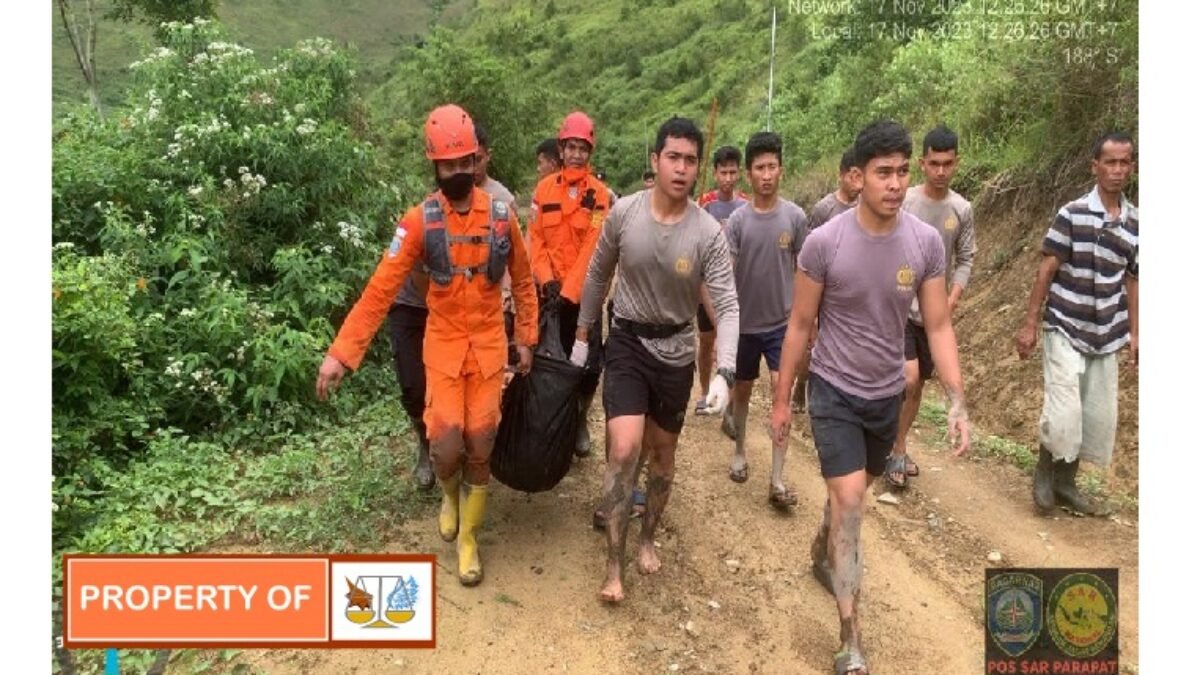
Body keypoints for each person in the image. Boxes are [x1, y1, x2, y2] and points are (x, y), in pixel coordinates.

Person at [769, 120, 970, 674]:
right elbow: (799, 325)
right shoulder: (824, 242)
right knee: (853, 502)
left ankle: (824, 538)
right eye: (884, 172)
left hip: (887, 395)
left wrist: (956, 398)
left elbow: (937, 326)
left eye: (902, 171)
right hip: (833, 389)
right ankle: (850, 637)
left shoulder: (925, 243)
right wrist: (784, 401)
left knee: (847, 501)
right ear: (857, 177)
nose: (895, 183)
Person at [316, 104, 538, 587]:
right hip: (441, 349)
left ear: (478, 160)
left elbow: (523, 281)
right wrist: (341, 354)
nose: (458, 173)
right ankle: (449, 494)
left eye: (466, 164)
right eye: (448, 165)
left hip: (486, 349)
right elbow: (380, 289)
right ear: (433, 164)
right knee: (444, 445)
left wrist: (527, 337)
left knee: (481, 441)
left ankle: (469, 539)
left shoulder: (501, 217)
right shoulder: (418, 221)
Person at [574, 116, 739, 603]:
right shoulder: (624, 214)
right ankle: (613, 564)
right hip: (626, 339)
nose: (681, 168)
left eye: (691, 160)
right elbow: (598, 273)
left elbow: (726, 306)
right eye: (673, 157)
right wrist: (584, 331)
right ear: (656, 160)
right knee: (624, 449)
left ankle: (647, 536)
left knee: (662, 457)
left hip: (676, 351)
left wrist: (725, 370)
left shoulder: (708, 233)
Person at [1015, 131, 1137, 517]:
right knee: (1064, 411)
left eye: (1124, 162)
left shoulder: (1136, 223)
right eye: (1110, 162)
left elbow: (1134, 280)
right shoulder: (1072, 213)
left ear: (1131, 166)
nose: (1117, 170)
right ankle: (1044, 473)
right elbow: (1046, 268)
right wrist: (1030, 324)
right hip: (1065, 325)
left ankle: (1066, 484)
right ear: (1095, 166)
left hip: (1107, 333)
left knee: (1094, 414)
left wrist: (1137, 332)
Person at [886, 125, 977, 489]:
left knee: (916, 384)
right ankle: (891, 446)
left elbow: (966, 257)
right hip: (898, 308)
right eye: (934, 163)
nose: (941, 171)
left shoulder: (961, 209)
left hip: (934, 312)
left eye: (948, 164)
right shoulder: (903, 200)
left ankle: (898, 443)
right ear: (922, 163)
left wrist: (951, 298)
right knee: (907, 378)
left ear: (957, 163)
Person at [723, 132, 808, 508]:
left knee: (781, 394)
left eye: (772, 166)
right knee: (741, 391)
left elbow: (805, 271)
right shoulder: (738, 221)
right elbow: (726, 273)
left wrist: (810, 322)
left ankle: (776, 479)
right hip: (744, 326)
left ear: (782, 170)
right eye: (760, 167)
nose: (767, 174)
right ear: (749, 173)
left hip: (781, 326)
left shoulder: (795, 217)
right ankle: (740, 450)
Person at [527, 111, 612, 458]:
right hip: (548, 296)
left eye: (582, 148)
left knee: (588, 368)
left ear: (590, 153)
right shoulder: (543, 190)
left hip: (583, 299)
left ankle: (579, 420)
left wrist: (569, 292)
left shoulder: (599, 196)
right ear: (561, 150)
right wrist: (547, 282)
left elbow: (594, 247)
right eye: (571, 147)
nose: (576, 154)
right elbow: (535, 239)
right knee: (544, 360)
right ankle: (548, 421)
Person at [790, 148, 861, 413]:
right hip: (824, 287)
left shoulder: (866, 207)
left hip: (852, 289)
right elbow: (810, 251)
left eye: (861, 176)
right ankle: (802, 388)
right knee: (813, 343)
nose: (857, 182)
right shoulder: (825, 208)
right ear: (841, 175)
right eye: (853, 175)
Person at [694, 145, 750, 419]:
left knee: (732, 343)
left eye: (732, 172)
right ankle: (705, 391)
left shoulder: (746, 205)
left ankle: (729, 394)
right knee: (706, 341)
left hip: (735, 287)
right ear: (714, 173)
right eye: (723, 172)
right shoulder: (703, 204)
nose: (728, 178)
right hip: (706, 286)